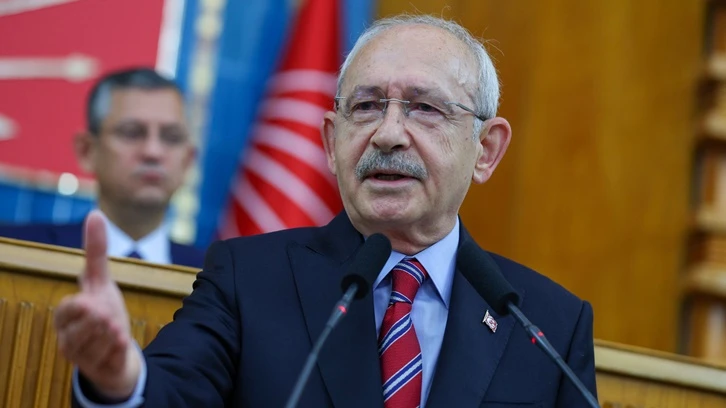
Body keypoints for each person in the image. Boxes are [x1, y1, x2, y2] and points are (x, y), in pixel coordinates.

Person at [56, 15, 597, 407]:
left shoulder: (550, 323)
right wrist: (122, 379)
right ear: (331, 143)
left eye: (425, 108)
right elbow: (170, 391)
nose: (387, 133)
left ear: (486, 150)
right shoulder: (249, 278)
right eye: (366, 106)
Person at [0, 67, 204, 268]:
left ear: (188, 160)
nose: (153, 152)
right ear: (87, 151)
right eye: (132, 133)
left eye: (172, 137)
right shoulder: (13, 253)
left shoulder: (215, 278)